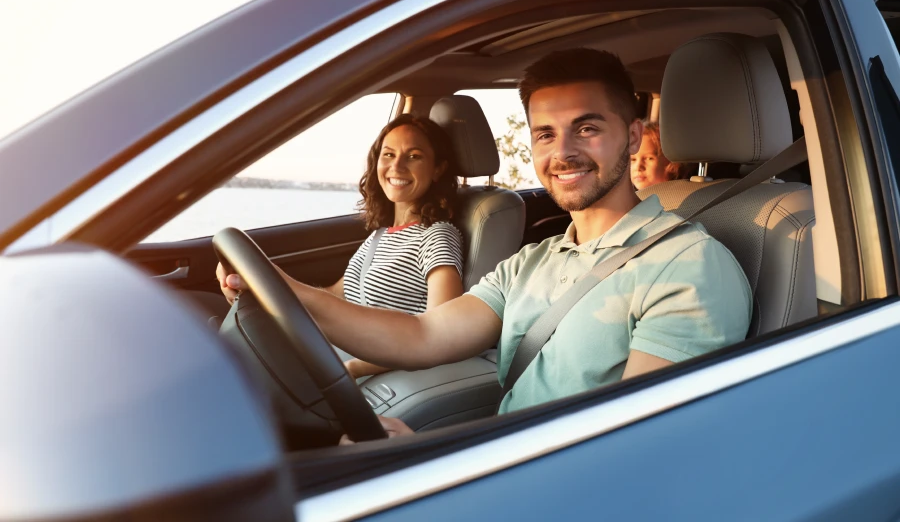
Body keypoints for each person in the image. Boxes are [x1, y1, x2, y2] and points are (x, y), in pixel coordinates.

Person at [218, 48, 752, 441]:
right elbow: (423, 334)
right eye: (545, 134)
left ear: (632, 136)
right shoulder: (533, 261)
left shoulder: (688, 267)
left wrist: (435, 471)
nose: (562, 152)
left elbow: (635, 451)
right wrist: (282, 289)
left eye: (587, 128)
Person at [294, 114, 467, 378]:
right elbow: (336, 295)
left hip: (373, 374)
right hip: (338, 356)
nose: (396, 166)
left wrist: (353, 369)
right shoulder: (380, 236)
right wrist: (277, 292)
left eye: (414, 156)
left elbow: (442, 332)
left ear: (437, 169)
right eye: (388, 154)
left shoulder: (437, 236)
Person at [630, 121, 688, 190]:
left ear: (669, 161)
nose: (638, 167)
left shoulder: (681, 194)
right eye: (633, 159)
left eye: (649, 158)